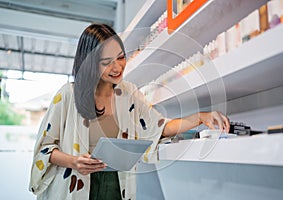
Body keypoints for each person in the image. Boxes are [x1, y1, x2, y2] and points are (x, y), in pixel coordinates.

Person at [29, 24, 230, 200]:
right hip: (75, 186)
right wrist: (74, 161)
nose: (118, 67)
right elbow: (44, 149)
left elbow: (159, 127)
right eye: (107, 62)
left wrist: (200, 117)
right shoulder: (67, 95)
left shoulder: (129, 93)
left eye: (121, 57)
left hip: (116, 186)